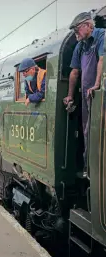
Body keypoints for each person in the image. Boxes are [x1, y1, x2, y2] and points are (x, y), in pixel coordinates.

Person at [63, 12, 105, 177]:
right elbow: (74, 72)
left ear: (88, 25)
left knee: (96, 130)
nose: (76, 34)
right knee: (86, 131)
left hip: (98, 93)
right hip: (87, 95)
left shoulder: (102, 36)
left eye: (77, 29)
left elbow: (102, 59)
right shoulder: (80, 46)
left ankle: (96, 169)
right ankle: (89, 167)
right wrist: (70, 95)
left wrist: (97, 84)